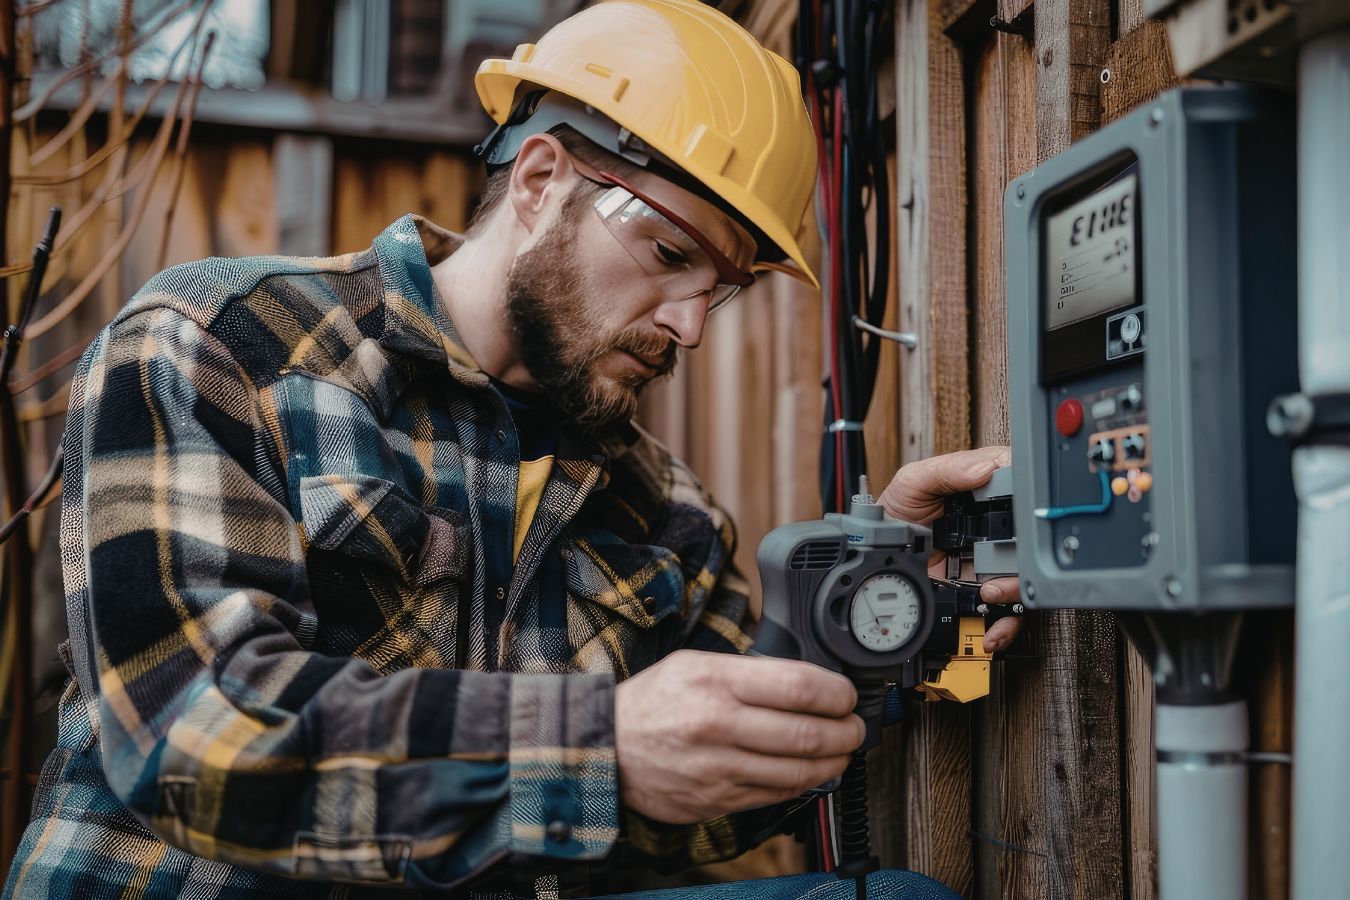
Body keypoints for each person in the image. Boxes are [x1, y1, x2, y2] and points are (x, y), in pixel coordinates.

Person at [2, 1, 1019, 897]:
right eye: (670, 256)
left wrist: (873, 604)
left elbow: (707, 809)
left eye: (721, 287)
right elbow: (195, 740)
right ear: (539, 177)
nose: (692, 327)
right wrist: (600, 749)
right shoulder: (221, 344)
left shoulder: (667, 513)